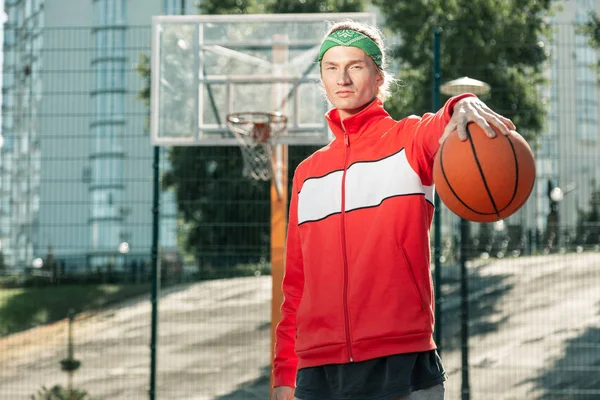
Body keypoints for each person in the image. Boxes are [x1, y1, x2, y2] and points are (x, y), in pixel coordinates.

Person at [271, 20, 516, 400]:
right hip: (318, 371)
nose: (343, 78)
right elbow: (296, 286)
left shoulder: (409, 140)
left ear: (379, 76)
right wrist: (285, 371)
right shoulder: (308, 174)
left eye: (356, 66)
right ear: (321, 78)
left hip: (401, 358)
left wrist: (461, 103)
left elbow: (441, 124)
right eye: (331, 67)